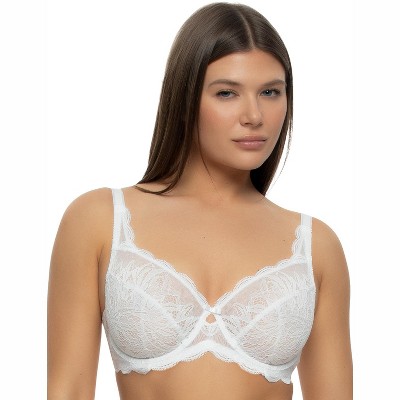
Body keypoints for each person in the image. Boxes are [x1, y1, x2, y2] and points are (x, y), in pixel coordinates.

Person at [47, 2, 352, 399]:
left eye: (270, 92)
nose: (254, 115)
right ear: (185, 98)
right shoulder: (99, 221)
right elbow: (68, 388)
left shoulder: (315, 247)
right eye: (227, 93)